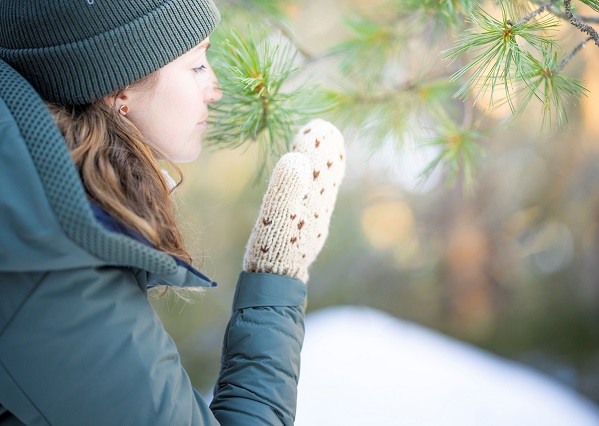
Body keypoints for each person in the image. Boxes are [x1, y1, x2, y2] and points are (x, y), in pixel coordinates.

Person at [0, 1, 345, 425]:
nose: (214, 88)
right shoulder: (57, 272)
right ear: (120, 87)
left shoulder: (32, 196)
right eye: (197, 64)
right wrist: (277, 276)